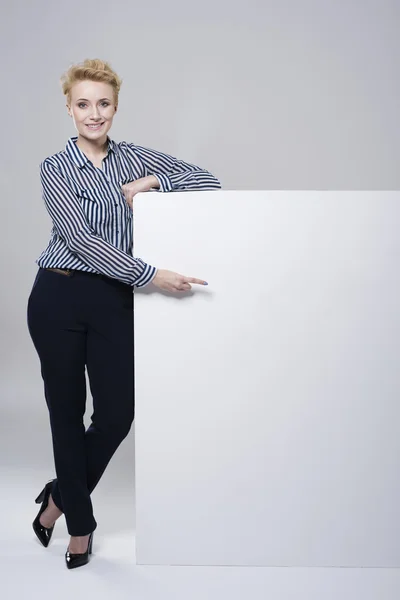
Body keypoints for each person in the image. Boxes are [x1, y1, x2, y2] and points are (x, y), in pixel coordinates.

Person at [27, 58, 221, 570]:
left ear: (115, 107)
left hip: (113, 300)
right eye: (84, 104)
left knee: (115, 415)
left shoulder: (133, 157)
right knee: (65, 415)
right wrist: (152, 275)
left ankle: (56, 498)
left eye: (104, 104)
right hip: (59, 296)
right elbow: (81, 242)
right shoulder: (56, 167)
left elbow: (208, 181)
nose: (95, 114)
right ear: (69, 109)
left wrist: (155, 182)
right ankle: (80, 529)